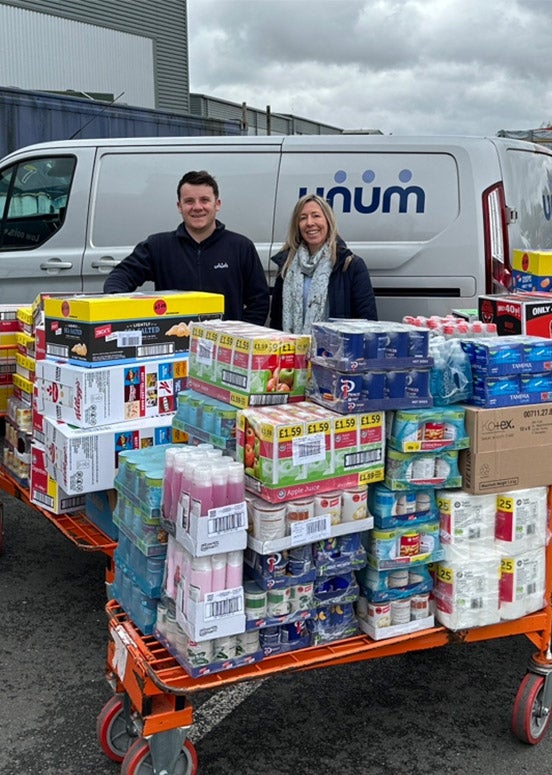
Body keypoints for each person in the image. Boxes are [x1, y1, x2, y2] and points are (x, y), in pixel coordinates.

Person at [103, 170, 270, 325]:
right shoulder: (158, 246)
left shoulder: (241, 247)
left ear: (217, 204)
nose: (197, 207)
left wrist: (241, 337)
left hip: (224, 350)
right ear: (179, 206)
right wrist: (118, 303)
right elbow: (120, 277)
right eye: (189, 201)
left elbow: (259, 302)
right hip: (174, 346)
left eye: (204, 200)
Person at [269, 193, 377, 333]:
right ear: (297, 225)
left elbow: (368, 321)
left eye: (316, 216)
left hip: (335, 353)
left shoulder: (350, 264)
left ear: (328, 220)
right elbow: (276, 322)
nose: (309, 223)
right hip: (291, 352)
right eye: (303, 218)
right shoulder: (286, 265)